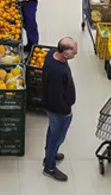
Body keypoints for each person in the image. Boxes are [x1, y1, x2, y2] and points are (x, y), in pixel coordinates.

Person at [42, 37, 77, 182]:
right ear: (65, 54)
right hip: (58, 110)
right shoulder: (57, 72)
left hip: (51, 107)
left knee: (52, 131)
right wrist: (66, 110)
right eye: (74, 53)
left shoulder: (52, 54)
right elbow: (56, 98)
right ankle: (49, 167)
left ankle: (49, 155)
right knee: (57, 137)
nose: (75, 55)